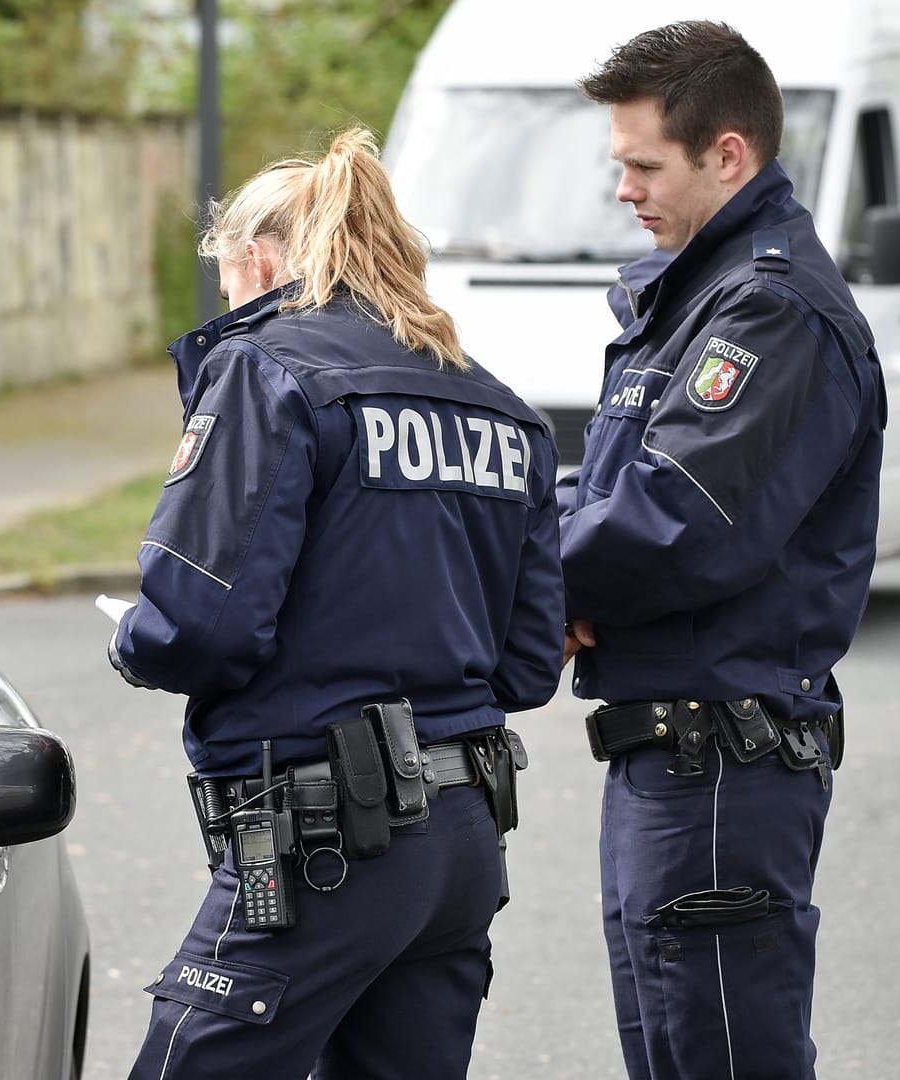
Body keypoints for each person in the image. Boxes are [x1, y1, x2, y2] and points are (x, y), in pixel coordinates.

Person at [108, 128, 563, 1080]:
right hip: (462, 845)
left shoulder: (267, 367)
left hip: (329, 840)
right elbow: (525, 665)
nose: (230, 305)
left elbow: (197, 622)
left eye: (229, 282)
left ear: (260, 260)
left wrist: (136, 640)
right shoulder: (502, 410)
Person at [559, 22, 886, 1079]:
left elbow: (671, 521)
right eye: (622, 165)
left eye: (645, 165)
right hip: (672, 760)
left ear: (729, 154)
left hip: (720, 768)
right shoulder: (695, 293)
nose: (626, 190)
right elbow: (606, 493)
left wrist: (526, 586)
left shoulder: (767, 309)